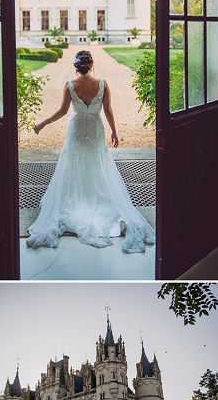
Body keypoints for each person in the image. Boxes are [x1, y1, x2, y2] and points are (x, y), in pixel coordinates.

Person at [27, 50, 155, 254]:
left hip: (77, 130)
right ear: (92, 65)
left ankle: (79, 200)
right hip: (95, 129)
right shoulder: (102, 84)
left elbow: (62, 111)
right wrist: (114, 131)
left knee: (73, 164)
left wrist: (42, 123)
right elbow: (108, 110)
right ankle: (94, 199)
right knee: (97, 163)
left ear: (75, 67)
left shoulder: (70, 85)